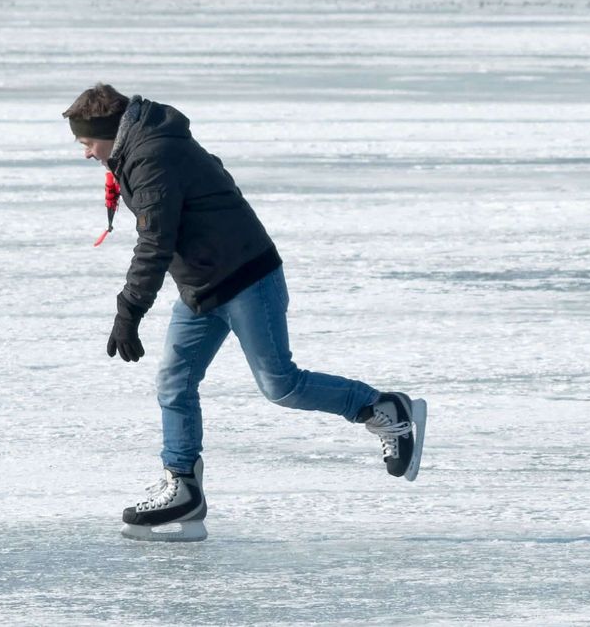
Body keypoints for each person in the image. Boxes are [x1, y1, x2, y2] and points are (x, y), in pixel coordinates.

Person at [64, 83, 426, 542]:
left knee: (281, 385)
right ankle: (184, 487)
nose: (86, 154)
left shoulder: (152, 155)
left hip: (246, 279)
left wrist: (129, 310)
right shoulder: (140, 147)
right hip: (202, 286)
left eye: (86, 142)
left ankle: (379, 407)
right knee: (174, 383)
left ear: (107, 131)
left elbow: (155, 241)